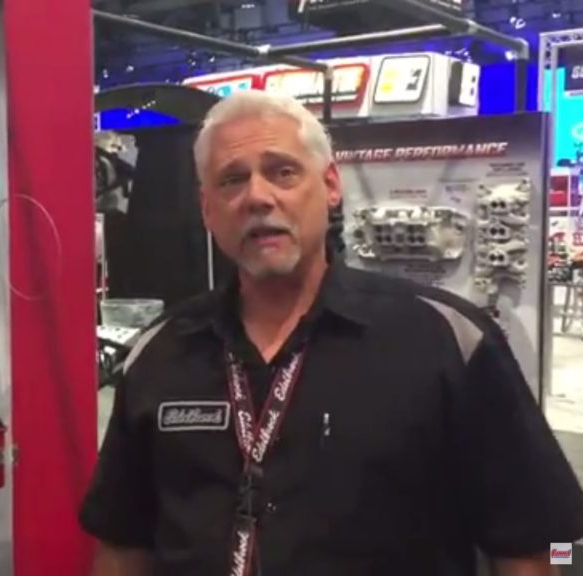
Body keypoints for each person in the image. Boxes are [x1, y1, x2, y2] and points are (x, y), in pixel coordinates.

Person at [79, 90, 583, 576]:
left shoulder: (445, 340)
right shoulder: (161, 354)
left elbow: (529, 544)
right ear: (207, 209)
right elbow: (123, 543)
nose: (258, 197)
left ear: (331, 185)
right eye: (232, 180)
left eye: (282, 171)